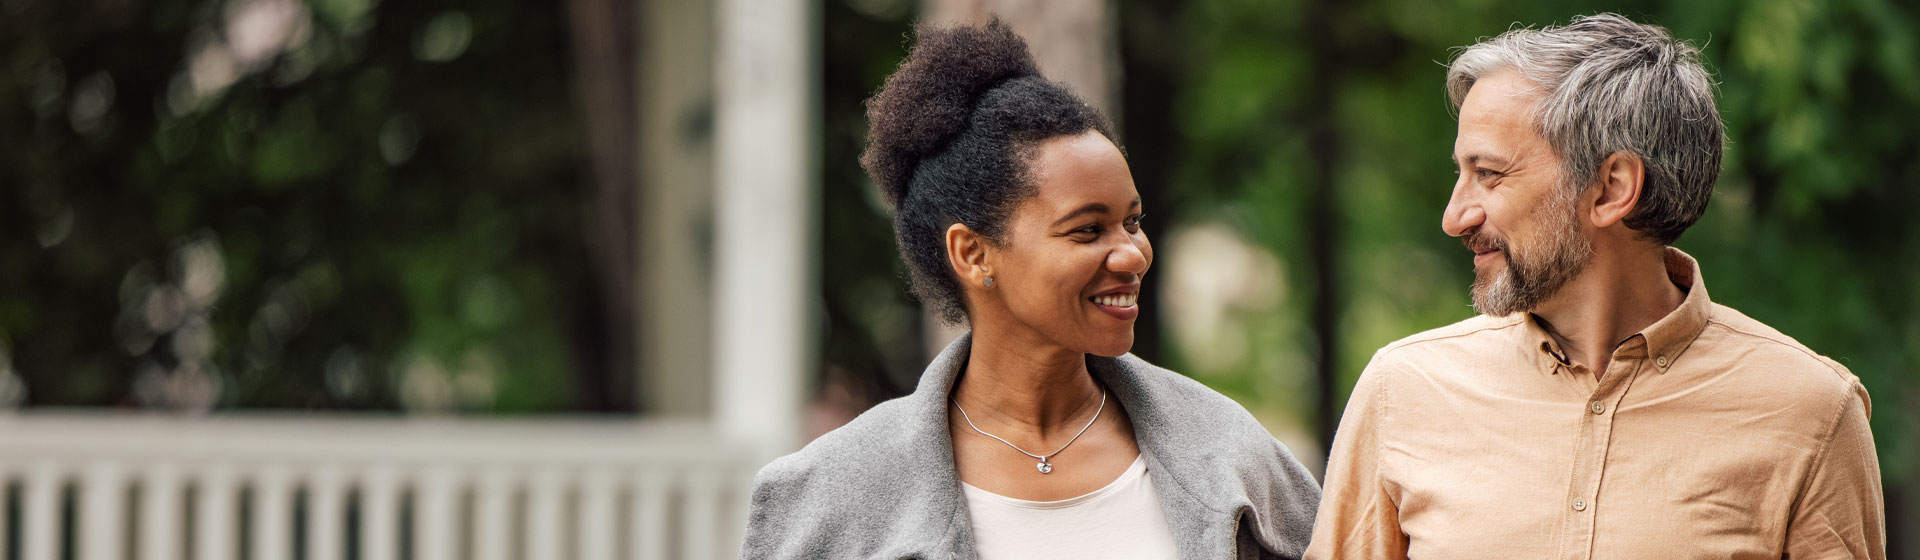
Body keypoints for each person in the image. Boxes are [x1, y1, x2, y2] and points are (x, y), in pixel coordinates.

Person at [1306, 13, 1884, 559]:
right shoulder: (1402, 391)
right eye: (1460, 174)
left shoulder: (1810, 411)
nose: (1455, 217)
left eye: (1488, 174)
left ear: (1612, 188)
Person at [742, 17, 1321, 559]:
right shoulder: (827, 497)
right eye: (1088, 230)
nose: (1132, 253)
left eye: (1133, 222)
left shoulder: (1235, 457)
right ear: (972, 253)